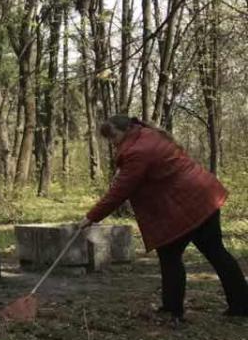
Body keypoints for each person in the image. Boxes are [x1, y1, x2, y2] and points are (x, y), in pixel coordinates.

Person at [80, 115, 248, 323]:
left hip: (189, 202)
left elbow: (121, 191)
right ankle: (241, 305)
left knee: (170, 255)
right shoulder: (149, 135)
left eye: (113, 136)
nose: (113, 141)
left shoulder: (137, 151)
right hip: (204, 196)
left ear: (126, 130)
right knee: (215, 252)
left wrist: (91, 217)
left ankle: (172, 309)